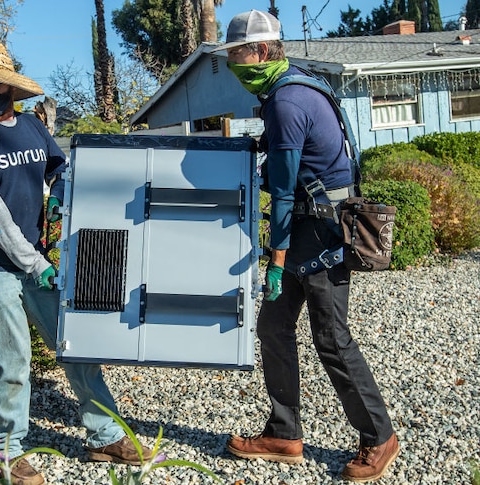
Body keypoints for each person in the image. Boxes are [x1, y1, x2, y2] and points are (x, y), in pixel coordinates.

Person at [0, 38, 152, 485]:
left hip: (34, 256)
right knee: (9, 359)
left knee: (75, 342)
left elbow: (59, 168)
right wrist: (34, 262)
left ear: (11, 87)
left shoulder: (34, 127)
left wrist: (60, 198)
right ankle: (8, 454)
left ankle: (105, 433)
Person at [212, 10, 399, 483]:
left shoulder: (286, 101)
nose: (233, 64)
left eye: (236, 54)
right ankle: (283, 432)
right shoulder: (296, 83)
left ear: (259, 51)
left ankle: (380, 436)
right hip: (309, 226)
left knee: (332, 339)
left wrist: (274, 261)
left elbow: (282, 192)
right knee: (273, 327)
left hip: (321, 233)